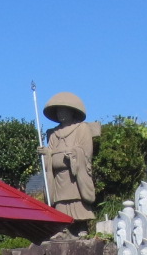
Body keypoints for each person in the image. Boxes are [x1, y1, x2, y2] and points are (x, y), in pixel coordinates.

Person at [39, 92, 104, 229]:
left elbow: (86, 151)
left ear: (72, 111)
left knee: (76, 200)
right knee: (60, 202)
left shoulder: (81, 129)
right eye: (58, 111)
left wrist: (74, 154)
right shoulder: (53, 134)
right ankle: (63, 228)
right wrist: (47, 154)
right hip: (58, 177)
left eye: (64, 110)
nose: (60, 113)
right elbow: (50, 152)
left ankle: (81, 227)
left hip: (74, 175)